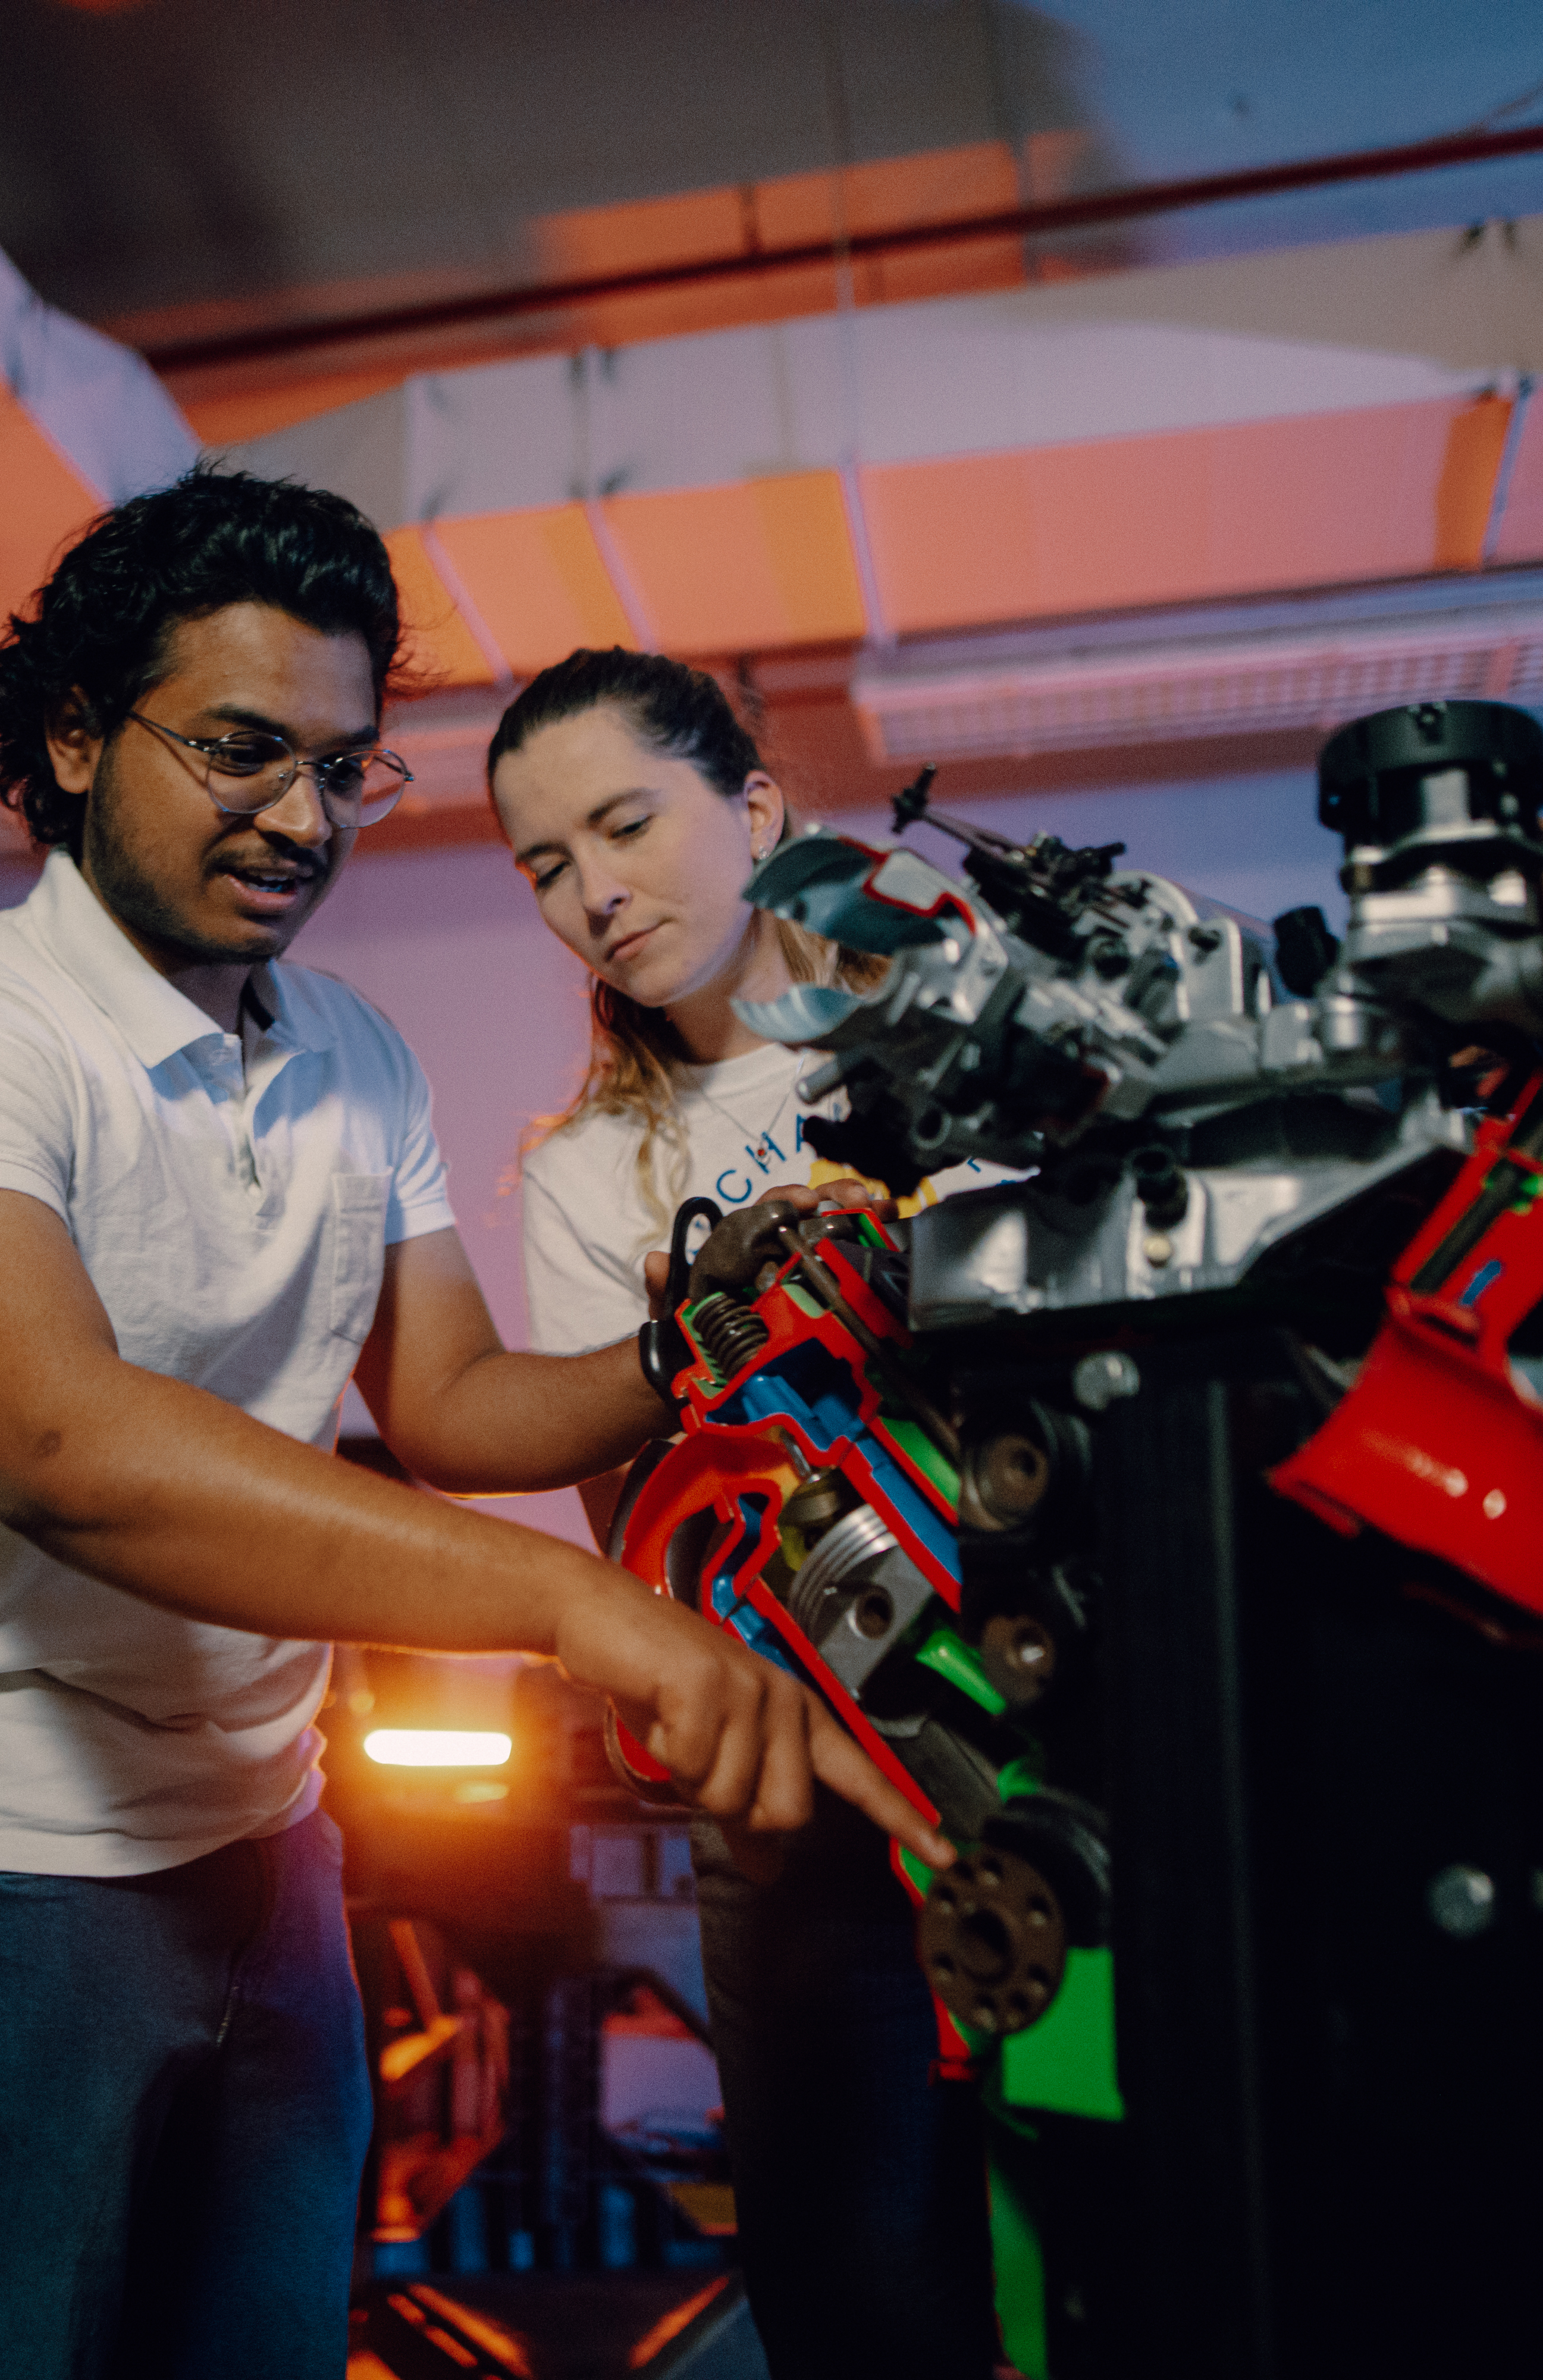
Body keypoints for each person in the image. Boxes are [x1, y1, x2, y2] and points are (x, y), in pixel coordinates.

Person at [0, 471, 942, 2380]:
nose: (303, 819)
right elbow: (64, 1451)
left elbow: (460, 1406)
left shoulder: (352, 1055)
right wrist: (582, 1612)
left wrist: (717, 1328)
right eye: (242, 752)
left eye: (344, 767)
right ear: (72, 739)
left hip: (263, 1852)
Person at [490, 648, 1000, 2380]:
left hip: (1068, 1715)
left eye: (626, 825)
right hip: (793, 1773)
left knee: (1132, 2236)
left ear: (758, 810)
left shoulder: (960, 1026)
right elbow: (644, 1533)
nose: (595, 894)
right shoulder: (583, 1176)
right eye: (547, 866)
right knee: (856, 2286)